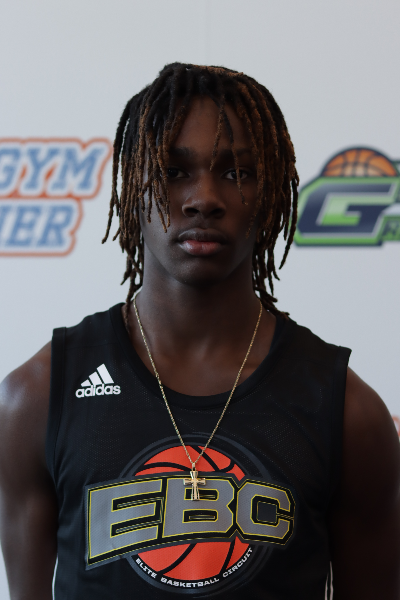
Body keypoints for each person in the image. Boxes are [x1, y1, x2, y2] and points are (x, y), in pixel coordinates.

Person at [0, 63, 399, 600]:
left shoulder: (349, 414)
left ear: (272, 193)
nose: (204, 197)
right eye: (173, 170)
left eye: (236, 172)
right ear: (131, 186)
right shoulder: (36, 397)